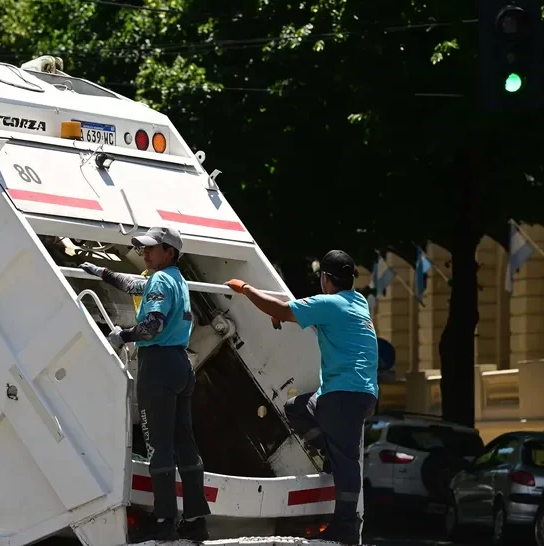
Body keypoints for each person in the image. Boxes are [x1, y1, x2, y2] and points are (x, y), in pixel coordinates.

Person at [225, 249, 379, 545]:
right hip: (361, 393)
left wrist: (246, 290)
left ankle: (347, 525)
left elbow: (284, 309)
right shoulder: (357, 302)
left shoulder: (330, 303)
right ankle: (331, 453)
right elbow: (291, 308)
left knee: (347, 462)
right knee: (296, 408)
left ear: (324, 278)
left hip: (344, 394)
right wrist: (279, 311)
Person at [79, 226, 211, 542]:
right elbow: (136, 285)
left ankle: (165, 519)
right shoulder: (176, 279)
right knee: (184, 443)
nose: (145, 252)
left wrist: (122, 335)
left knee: (157, 445)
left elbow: (153, 324)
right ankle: (195, 519)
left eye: (152, 248)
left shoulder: (161, 279)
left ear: (170, 252)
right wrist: (101, 272)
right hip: (180, 364)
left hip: (158, 366)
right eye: (144, 248)